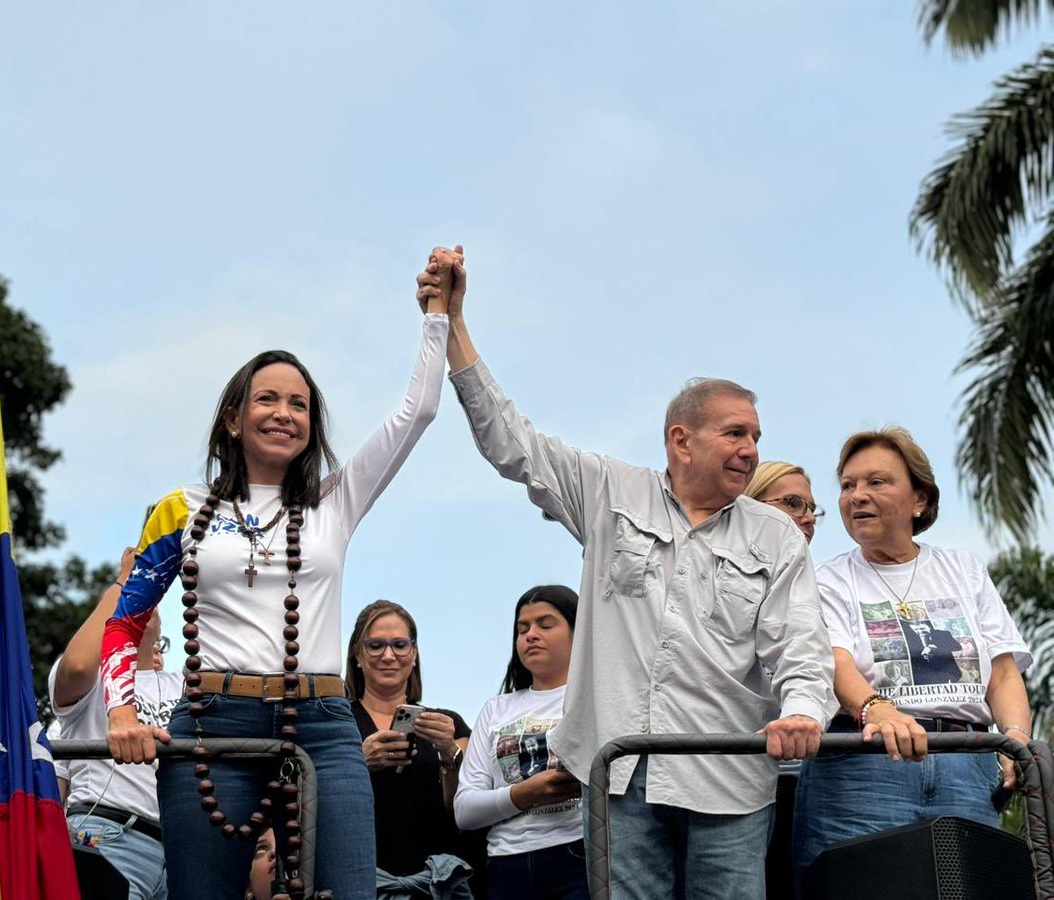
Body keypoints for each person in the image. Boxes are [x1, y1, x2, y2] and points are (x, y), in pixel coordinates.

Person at [421, 247, 837, 900]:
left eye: (756, 437)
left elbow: (801, 643)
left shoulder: (775, 533)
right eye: (735, 434)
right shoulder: (609, 492)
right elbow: (510, 441)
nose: (751, 450)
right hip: (618, 779)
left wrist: (805, 711)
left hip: (729, 783)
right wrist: (454, 325)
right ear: (681, 441)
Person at [102, 260, 453, 899]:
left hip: (322, 723)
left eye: (300, 404)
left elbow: (417, 413)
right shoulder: (181, 509)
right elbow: (124, 624)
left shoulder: (335, 500)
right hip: (211, 723)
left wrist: (438, 314)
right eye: (267, 399)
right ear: (233, 418)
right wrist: (123, 712)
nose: (284, 413)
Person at [793, 426, 1032, 877]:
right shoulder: (827, 579)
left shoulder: (963, 568)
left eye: (876, 482)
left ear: (919, 499)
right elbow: (835, 661)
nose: (857, 496)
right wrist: (877, 710)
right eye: (847, 485)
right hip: (863, 767)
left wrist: (1015, 738)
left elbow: (1001, 672)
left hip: (966, 764)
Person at [50, 548, 182, 900]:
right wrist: (126, 578)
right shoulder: (94, 683)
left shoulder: (183, 684)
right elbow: (78, 666)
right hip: (109, 837)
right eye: (132, 594)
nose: (143, 597)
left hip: (180, 856)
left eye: (149, 593)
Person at [454, 585, 588, 900]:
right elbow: (465, 810)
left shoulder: (595, 698)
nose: (531, 635)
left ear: (578, 631)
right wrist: (522, 794)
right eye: (522, 629)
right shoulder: (495, 709)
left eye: (546, 624)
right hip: (507, 863)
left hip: (579, 856)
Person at [344, 600, 476, 881]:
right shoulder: (337, 724)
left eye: (400, 645)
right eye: (375, 645)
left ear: (414, 654)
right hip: (359, 874)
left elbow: (465, 807)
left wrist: (449, 752)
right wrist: (359, 763)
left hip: (436, 880)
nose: (388, 656)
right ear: (357, 654)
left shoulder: (449, 724)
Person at [742, 461, 822, 900]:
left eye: (812, 508)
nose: (808, 518)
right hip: (738, 780)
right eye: (793, 504)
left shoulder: (829, 587)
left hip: (812, 781)